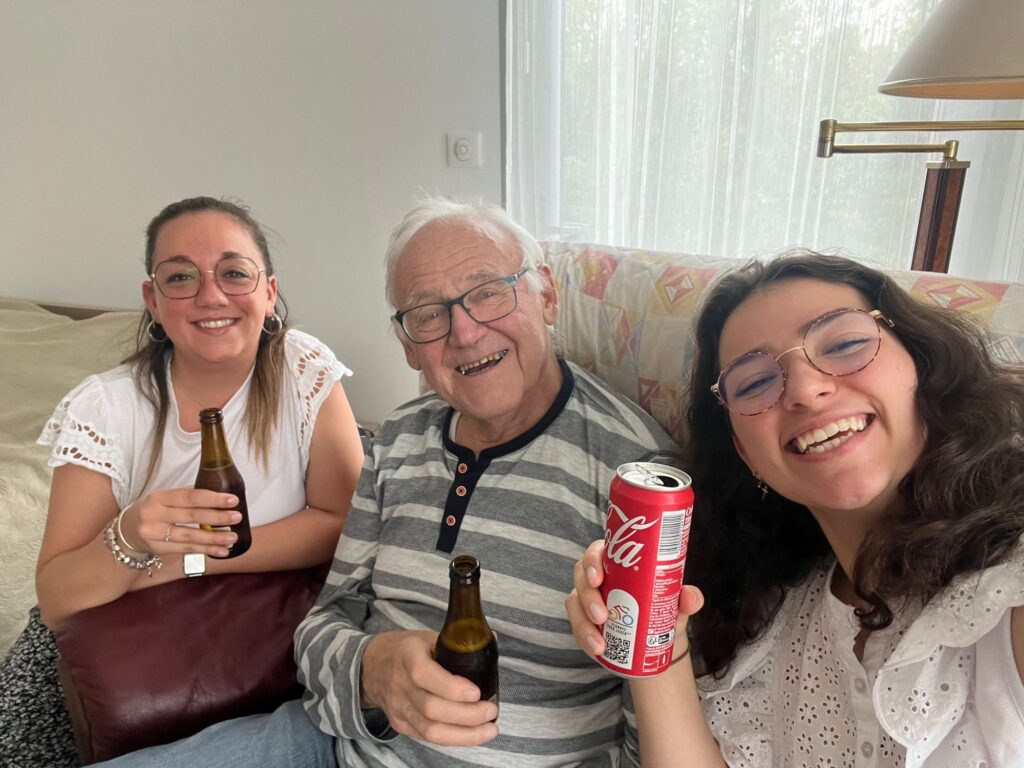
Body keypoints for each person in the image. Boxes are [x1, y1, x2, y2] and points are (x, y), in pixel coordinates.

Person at [98, 197, 675, 768]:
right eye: (427, 314)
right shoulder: (398, 438)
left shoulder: (639, 480)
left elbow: (654, 727)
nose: (464, 332)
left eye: (487, 292)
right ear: (407, 347)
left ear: (546, 296)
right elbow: (321, 627)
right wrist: (371, 670)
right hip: (334, 749)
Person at [566, 251, 1024, 766]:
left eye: (845, 344)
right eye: (754, 382)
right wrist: (659, 643)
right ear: (746, 454)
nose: (806, 390)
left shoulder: (1008, 589)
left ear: (923, 364)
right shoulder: (771, 622)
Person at [2, 196, 364, 767]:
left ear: (269, 292)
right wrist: (129, 535)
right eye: (180, 277)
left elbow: (343, 523)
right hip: (126, 646)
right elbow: (57, 600)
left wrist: (188, 561)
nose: (211, 295)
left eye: (234, 272)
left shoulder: (302, 367)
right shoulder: (104, 408)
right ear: (153, 300)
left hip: (267, 629)